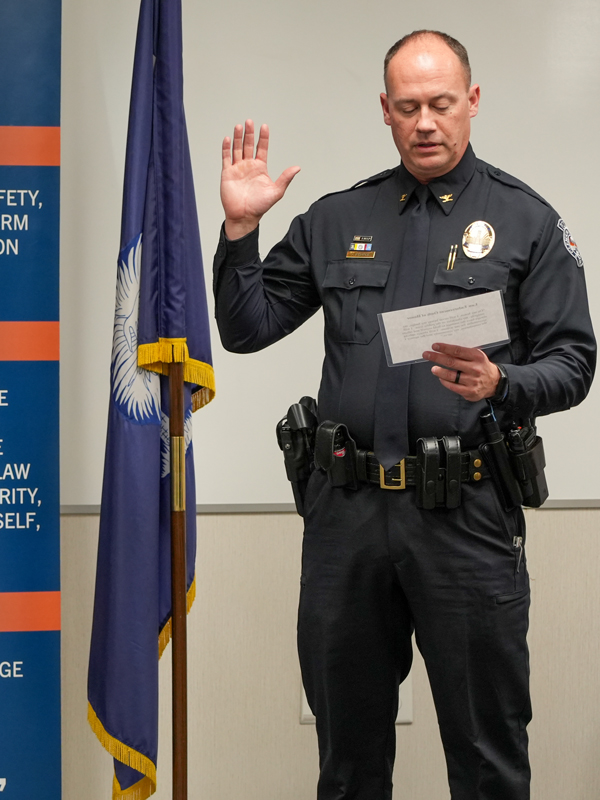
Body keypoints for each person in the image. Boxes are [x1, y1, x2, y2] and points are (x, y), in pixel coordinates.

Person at [213, 31, 594, 799]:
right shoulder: (336, 216)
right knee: (347, 762)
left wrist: (500, 382)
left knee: (488, 758)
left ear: (473, 103)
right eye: (409, 107)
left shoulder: (527, 221)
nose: (426, 122)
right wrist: (240, 232)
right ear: (385, 111)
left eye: (442, 105)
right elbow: (246, 327)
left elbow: (574, 363)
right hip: (346, 517)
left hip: (465, 520)